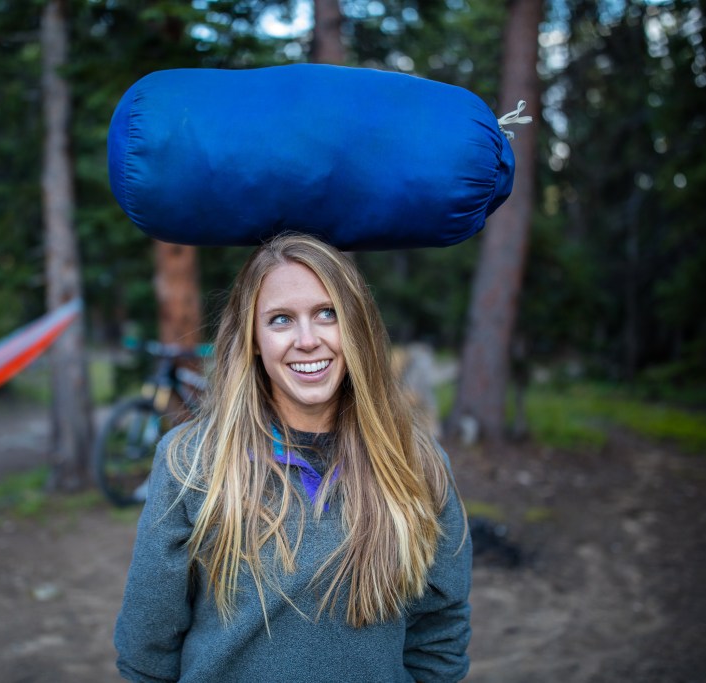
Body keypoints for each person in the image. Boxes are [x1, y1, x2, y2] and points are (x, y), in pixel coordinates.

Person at [115, 233, 471, 683]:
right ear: (254, 339)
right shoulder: (193, 461)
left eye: (327, 314)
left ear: (355, 326)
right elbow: (147, 646)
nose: (307, 340)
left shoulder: (415, 461)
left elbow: (439, 634)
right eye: (281, 319)